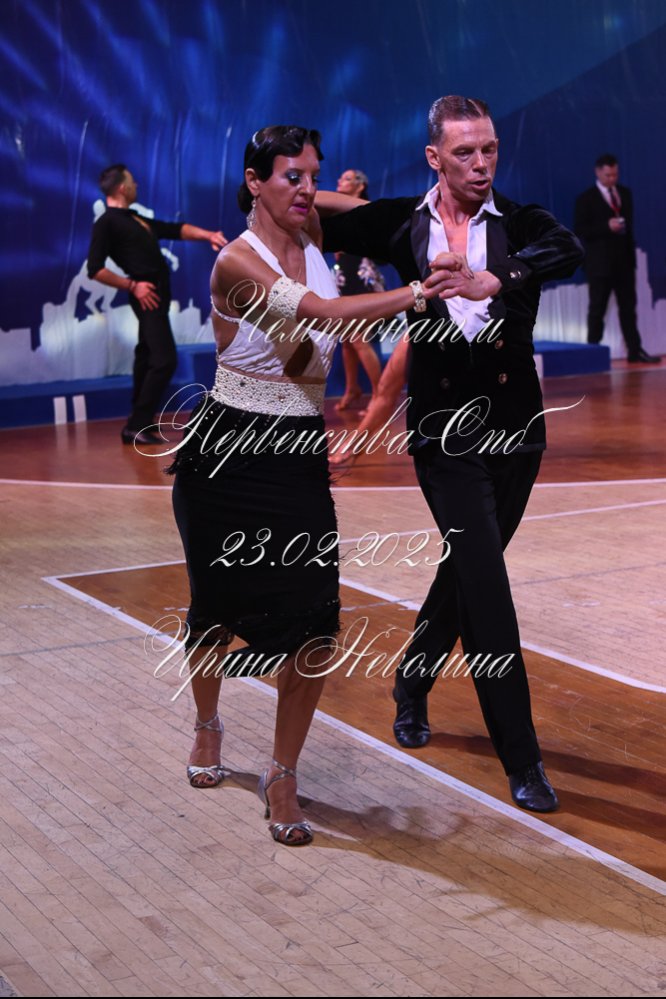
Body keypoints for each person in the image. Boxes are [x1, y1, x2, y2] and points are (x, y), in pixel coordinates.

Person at [168, 125, 453, 846]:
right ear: (252, 180)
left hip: (295, 447)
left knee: (316, 620)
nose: (306, 188)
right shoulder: (237, 260)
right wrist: (416, 292)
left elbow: (352, 212)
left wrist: (330, 194)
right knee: (216, 608)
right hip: (229, 451)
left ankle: (283, 772)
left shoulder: (315, 230)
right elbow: (321, 316)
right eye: (290, 175)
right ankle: (208, 723)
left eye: (313, 176)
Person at [319, 95, 584, 812]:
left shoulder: (520, 224)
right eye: (464, 152)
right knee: (487, 586)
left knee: (467, 570)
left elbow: (568, 248)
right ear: (434, 157)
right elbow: (311, 209)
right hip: (445, 435)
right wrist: (287, 182)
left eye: (489, 149)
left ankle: (411, 679)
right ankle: (521, 757)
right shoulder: (401, 224)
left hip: (517, 432)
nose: (481, 163)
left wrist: (502, 277)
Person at [87, 164, 228, 445]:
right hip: (146, 295)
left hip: (157, 294)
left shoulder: (134, 218)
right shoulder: (107, 222)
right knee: (164, 360)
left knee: (147, 356)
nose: (137, 185)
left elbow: (174, 229)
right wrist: (132, 286)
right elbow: (95, 269)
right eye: (132, 181)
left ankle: (139, 421)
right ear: (122, 188)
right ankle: (136, 425)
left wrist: (208, 235)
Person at [574, 154, 660, 363]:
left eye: (615, 174)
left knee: (628, 309)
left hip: (624, 263)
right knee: (597, 310)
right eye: (608, 175)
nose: (612, 178)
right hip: (599, 265)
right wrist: (606, 226)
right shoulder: (586, 198)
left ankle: (634, 350)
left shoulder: (624, 193)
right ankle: (593, 354)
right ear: (598, 172)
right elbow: (580, 230)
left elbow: (629, 229)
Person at [333, 168, 385, 410]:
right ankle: (352, 388)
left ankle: (380, 394)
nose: (339, 181)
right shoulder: (336, 209)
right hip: (345, 278)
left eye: (346, 179)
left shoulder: (367, 210)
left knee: (358, 338)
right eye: (341, 178)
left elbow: (378, 245)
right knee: (347, 340)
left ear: (360, 185)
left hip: (363, 280)